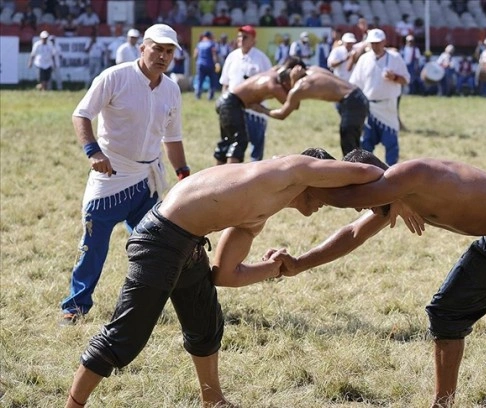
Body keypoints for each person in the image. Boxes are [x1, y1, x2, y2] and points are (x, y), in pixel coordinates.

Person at [270, 149, 486, 408]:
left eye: (368, 197)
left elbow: (351, 200)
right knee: (446, 313)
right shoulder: (392, 196)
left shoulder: (410, 175)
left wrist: (305, 178)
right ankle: (443, 404)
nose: (367, 209)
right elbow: (352, 234)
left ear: (369, 179)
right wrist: (299, 263)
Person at [63, 148, 388, 408]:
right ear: (317, 179)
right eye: (327, 192)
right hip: (160, 240)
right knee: (126, 336)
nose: (326, 204)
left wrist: (275, 267)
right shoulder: (288, 170)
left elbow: (224, 275)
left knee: (205, 324)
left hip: (186, 243)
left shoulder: (258, 216)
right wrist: (400, 193)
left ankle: (213, 400)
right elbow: (366, 172)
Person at [60, 24, 191, 325]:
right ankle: (75, 306)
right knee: (93, 245)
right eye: (157, 48)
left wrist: (183, 174)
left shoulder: (171, 89)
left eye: (169, 51)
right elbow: (81, 114)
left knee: (155, 246)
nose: (162, 56)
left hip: (148, 181)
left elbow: (172, 138)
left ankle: (146, 305)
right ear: (142, 48)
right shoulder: (115, 77)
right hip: (111, 175)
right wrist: (93, 152)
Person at [256, 61, 369, 157]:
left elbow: (282, 114)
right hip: (357, 95)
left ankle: (359, 177)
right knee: (353, 144)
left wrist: (262, 109)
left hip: (351, 102)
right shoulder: (313, 69)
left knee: (350, 148)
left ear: (286, 83)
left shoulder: (299, 87)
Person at [348, 29, 409, 165]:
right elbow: (354, 83)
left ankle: (392, 173)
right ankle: (366, 172)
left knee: (391, 143)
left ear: (384, 42)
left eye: (377, 43)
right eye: (372, 43)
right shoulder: (364, 59)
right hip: (369, 106)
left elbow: (406, 79)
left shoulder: (395, 58)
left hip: (388, 106)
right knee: (366, 143)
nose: (375, 46)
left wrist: (395, 77)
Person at [214, 63, 295, 165]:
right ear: (286, 83)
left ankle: (218, 174)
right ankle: (231, 177)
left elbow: (282, 65)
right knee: (239, 141)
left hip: (227, 101)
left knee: (227, 141)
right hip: (232, 103)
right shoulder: (274, 86)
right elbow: (293, 104)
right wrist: (263, 110)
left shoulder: (272, 72)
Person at [217, 25, 273, 164]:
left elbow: (271, 84)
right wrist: (224, 106)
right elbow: (225, 83)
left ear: (253, 40)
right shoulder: (232, 56)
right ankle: (225, 177)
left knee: (255, 148)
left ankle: (253, 179)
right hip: (232, 108)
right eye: (239, 36)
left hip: (254, 111)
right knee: (230, 145)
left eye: (245, 37)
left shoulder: (261, 58)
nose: (241, 39)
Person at [193, 30, 220, 100]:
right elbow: (214, 54)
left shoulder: (199, 44)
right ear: (210, 36)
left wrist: (198, 61)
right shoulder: (212, 44)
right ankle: (210, 96)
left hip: (200, 64)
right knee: (212, 81)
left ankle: (197, 95)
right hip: (210, 65)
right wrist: (216, 63)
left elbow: (195, 55)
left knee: (200, 80)